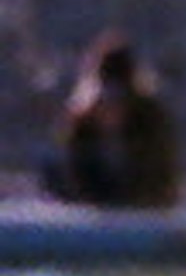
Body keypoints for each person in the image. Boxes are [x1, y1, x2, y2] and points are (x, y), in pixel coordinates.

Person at [53, 34, 177, 208]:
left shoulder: (151, 123)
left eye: (119, 99)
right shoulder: (81, 127)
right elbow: (69, 181)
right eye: (106, 100)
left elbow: (161, 181)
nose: (111, 110)